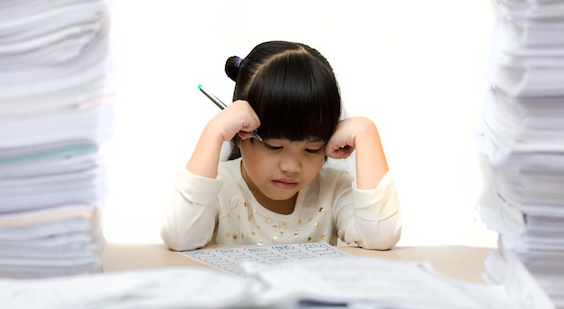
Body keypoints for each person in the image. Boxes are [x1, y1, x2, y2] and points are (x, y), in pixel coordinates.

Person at [161, 40, 401, 251]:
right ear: (239, 133)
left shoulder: (333, 189)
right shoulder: (219, 188)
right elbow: (180, 238)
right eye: (275, 146)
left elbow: (380, 238)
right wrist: (212, 133)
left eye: (311, 149)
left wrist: (366, 133)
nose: (292, 166)